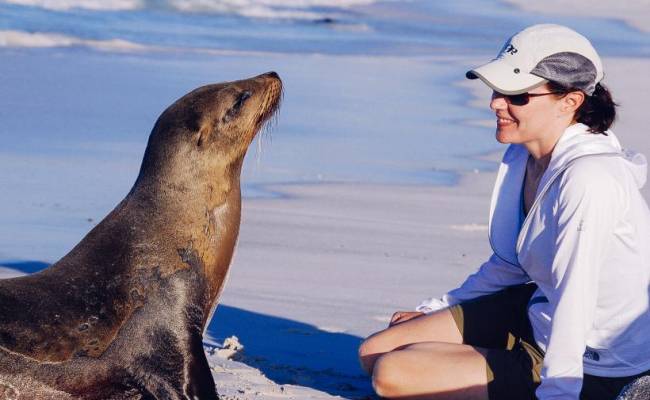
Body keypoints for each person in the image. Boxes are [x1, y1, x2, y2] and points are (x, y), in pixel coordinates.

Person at [358, 24, 650, 400]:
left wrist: (559, 392)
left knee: (392, 375)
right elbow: (512, 263)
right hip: (537, 310)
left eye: (517, 96)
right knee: (374, 351)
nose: (497, 103)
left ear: (570, 101)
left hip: (594, 360)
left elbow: (577, 297)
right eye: (497, 90)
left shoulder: (589, 178)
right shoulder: (523, 154)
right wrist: (441, 308)